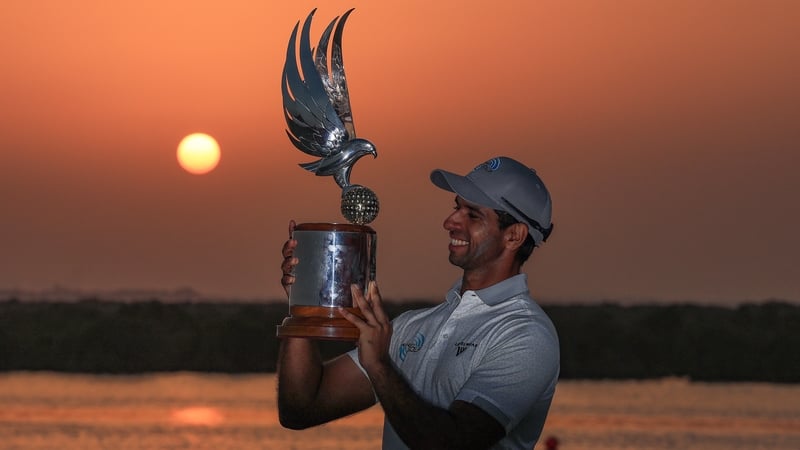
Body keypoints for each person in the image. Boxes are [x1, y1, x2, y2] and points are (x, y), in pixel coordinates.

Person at [278, 156, 560, 449]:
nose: (450, 222)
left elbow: (453, 442)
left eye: (473, 215)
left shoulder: (527, 336)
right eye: (457, 207)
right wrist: (303, 302)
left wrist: (380, 366)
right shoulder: (410, 326)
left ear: (514, 236)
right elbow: (301, 409)